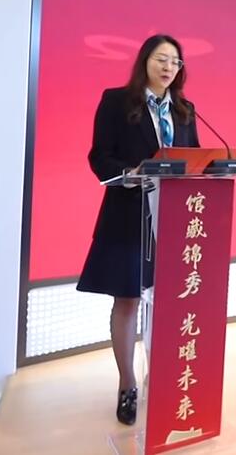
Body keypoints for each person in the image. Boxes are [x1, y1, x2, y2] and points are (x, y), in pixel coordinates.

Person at [76, 34, 200, 425]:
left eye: (175, 61)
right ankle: (127, 384)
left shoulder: (185, 110)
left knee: (169, 301)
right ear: (145, 60)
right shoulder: (117, 101)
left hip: (174, 219)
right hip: (129, 214)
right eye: (162, 59)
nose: (168, 67)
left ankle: (160, 378)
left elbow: (195, 159)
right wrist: (129, 173)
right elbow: (99, 156)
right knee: (128, 300)